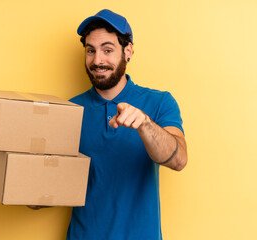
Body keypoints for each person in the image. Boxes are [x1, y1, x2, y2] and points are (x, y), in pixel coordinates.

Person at [66, 9, 188, 240]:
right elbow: (46, 189)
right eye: (90, 51)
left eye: (107, 50)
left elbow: (179, 160)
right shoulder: (69, 110)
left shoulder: (159, 102)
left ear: (128, 51)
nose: (97, 60)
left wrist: (145, 124)